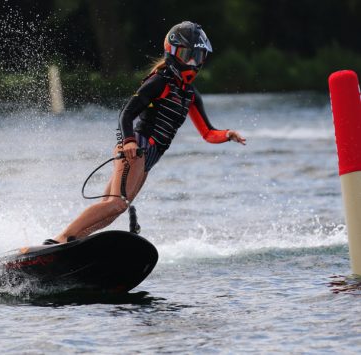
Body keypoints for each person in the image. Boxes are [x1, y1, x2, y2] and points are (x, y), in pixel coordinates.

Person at [46, 21, 246, 245]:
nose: (191, 62)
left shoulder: (190, 95)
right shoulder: (159, 82)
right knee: (117, 204)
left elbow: (208, 133)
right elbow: (126, 113)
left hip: (148, 160)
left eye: (197, 57)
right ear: (172, 53)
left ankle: (72, 244)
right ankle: (61, 239)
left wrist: (228, 134)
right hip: (136, 150)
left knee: (112, 211)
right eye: (186, 55)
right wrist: (129, 142)